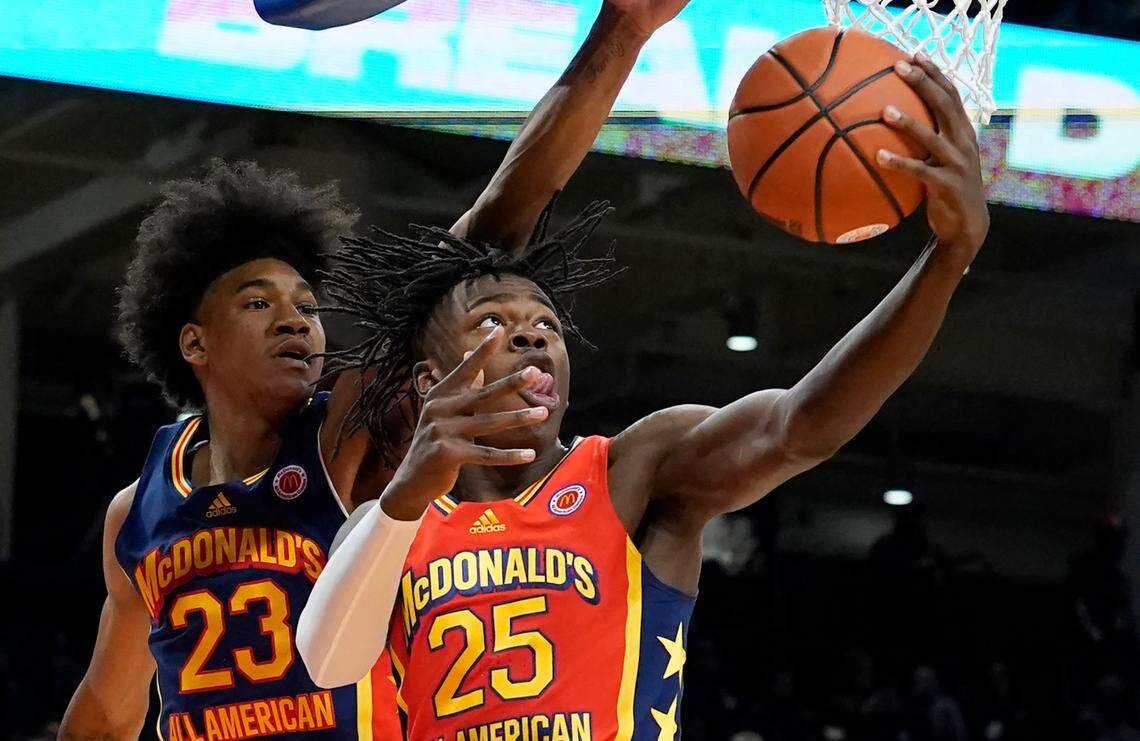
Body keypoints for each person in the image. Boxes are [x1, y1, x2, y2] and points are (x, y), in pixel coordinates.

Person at [298, 52, 992, 739]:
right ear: (428, 381)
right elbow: (328, 662)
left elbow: (800, 426)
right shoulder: (390, 519)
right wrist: (407, 496)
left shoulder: (634, 471)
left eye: (545, 325)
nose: (532, 338)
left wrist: (947, 259)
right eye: (493, 324)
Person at [58, 0, 696, 736]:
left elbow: (491, 224)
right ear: (194, 343)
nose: (297, 317)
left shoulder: (346, 426)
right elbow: (109, 704)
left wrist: (622, 30)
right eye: (259, 302)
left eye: (306, 303)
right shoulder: (135, 513)